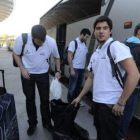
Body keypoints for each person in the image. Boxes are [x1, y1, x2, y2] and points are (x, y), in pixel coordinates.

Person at [72, 16, 139, 140]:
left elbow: (134, 74)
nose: (101, 31)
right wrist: (80, 97)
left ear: (110, 31)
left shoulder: (115, 47)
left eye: (105, 28)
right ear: (94, 32)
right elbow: (92, 77)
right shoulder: (97, 52)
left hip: (110, 105)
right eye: (98, 28)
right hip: (97, 103)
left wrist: (121, 102)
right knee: (100, 134)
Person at [13, 25, 61, 136]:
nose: (42, 43)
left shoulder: (50, 42)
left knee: (45, 99)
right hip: (27, 74)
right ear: (33, 37)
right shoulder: (23, 39)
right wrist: (22, 69)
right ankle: (32, 124)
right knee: (30, 99)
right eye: (39, 41)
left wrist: (58, 71)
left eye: (43, 40)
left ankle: (47, 122)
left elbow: (57, 57)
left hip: (43, 74)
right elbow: (15, 54)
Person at [118, 23, 140, 140]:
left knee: (118, 110)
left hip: (120, 83)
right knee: (127, 114)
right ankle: (121, 136)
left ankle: (115, 132)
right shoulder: (138, 48)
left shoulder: (123, 44)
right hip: (134, 86)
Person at [67, 28, 91, 106]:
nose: (86, 39)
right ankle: (70, 103)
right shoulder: (73, 43)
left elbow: (84, 56)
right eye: (86, 37)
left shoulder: (84, 44)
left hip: (82, 69)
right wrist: (72, 69)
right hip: (75, 68)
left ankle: (76, 101)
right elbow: (69, 56)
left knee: (78, 87)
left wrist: (86, 67)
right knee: (72, 88)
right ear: (82, 34)